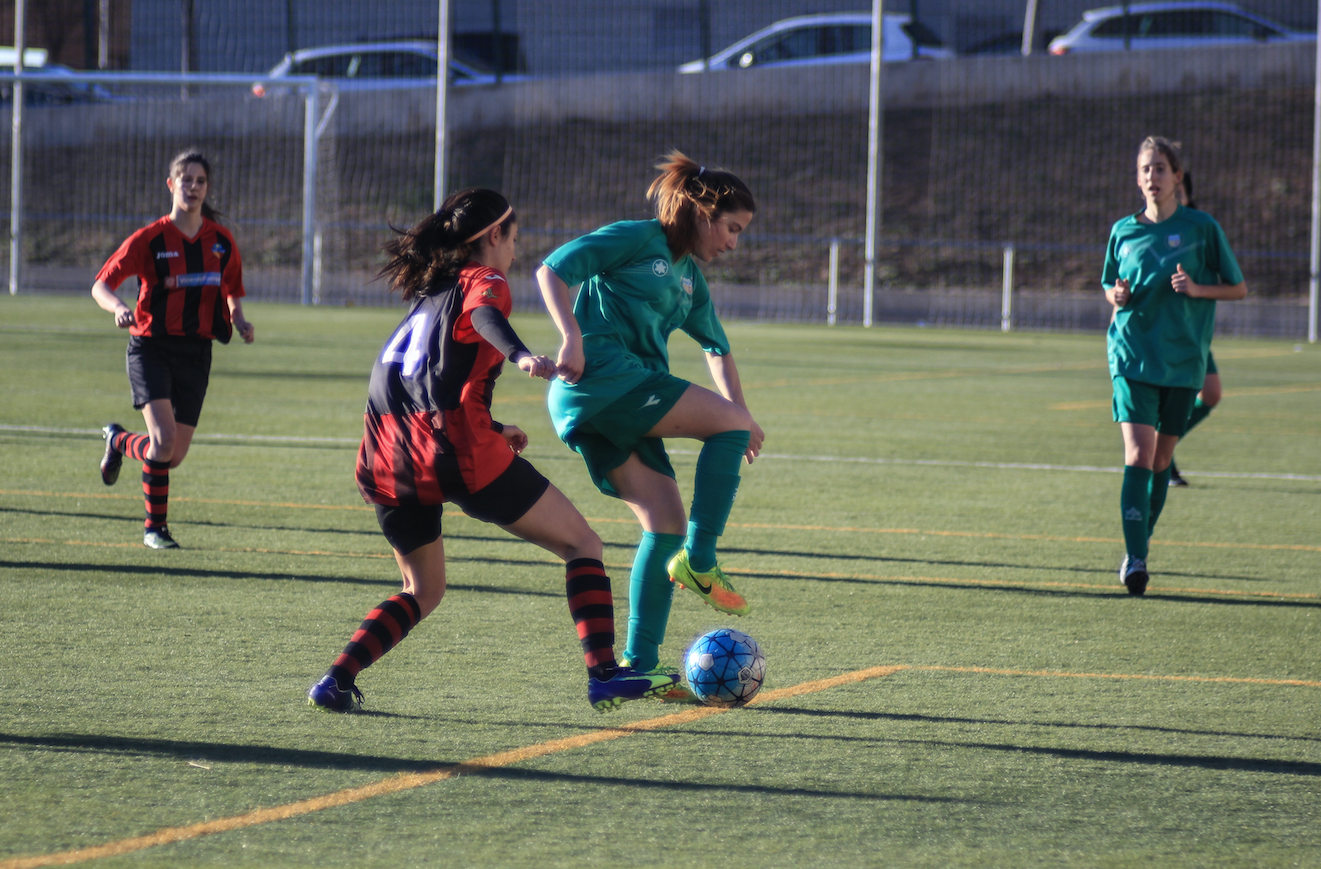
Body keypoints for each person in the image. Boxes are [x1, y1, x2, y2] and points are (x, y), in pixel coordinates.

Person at [307, 188, 681, 714]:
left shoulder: (431, 291)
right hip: (454, 454)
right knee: (583, 545)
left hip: (386, 457)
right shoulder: (484, 280)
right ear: (493, 236)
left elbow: (421, 385)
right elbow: (486, 316)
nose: (515, 249)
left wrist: (495, 425)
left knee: (421, 590)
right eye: (514, 237)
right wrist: (521, 354)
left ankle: (336, 680)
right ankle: (603, 675)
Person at [536, 151, 764, 683]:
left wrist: (743, 411)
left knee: (665, 527)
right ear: (703, 212)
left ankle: (639, 666)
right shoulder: (638, 237)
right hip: (602, 381)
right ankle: (700, 562)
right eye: (731, 228)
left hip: (614, 399)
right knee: (728, 427)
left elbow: (717, 348)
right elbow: (552, 270)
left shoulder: (690, 281)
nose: (734, 243)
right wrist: (571, 337)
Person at [91, 149, 255, 550]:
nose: (193, 187)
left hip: (197, 354)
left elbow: (232, 286)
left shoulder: (221, 242)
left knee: (172, 455)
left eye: (200, 181)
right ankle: (155, 529)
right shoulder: (150, 239)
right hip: (151, 348)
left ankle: (117, 441)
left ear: (207, 188)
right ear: (171, 184)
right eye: (186, 180)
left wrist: (239, 318)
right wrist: (118, 308)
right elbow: (101, 284)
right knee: (163, 441)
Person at [1103, 137, 1245, 595]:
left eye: (1160, 168)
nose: (1152, 176)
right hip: (1132, 355)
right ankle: (1136, 560)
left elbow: (1238, 287)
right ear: (1137, 177)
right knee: (1139, 456)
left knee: (1162, 459)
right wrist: (1116, 295)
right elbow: (1109, 284)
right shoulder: (1123, 230)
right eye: (1145, 169)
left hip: (1183, 361)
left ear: (1177, 177)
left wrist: (1198, 290)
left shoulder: (1202, 228)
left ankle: (1138, 542)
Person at [1166, 171, 1222, 487]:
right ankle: (1162, 460)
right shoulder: (1149, 228)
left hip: (1194, 329)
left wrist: (1199, 288)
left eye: (1181, 192)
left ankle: (1162, 444)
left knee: (1211, 393)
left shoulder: (1201, 229)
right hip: (1164, 330)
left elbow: (1233, 283)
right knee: (1168, 398)